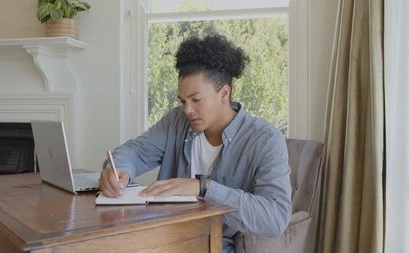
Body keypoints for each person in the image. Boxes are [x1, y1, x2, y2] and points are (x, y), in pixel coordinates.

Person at [99, 34, 292, 253]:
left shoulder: (265, 140)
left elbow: (276, 217)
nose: (187, 110)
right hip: (163, 238)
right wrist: (120, 169)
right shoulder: (176, 122)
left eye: (196, 100)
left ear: (224, 93)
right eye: (183, 101)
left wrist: (204, 188)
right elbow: (135, 150)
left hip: (211, 245)